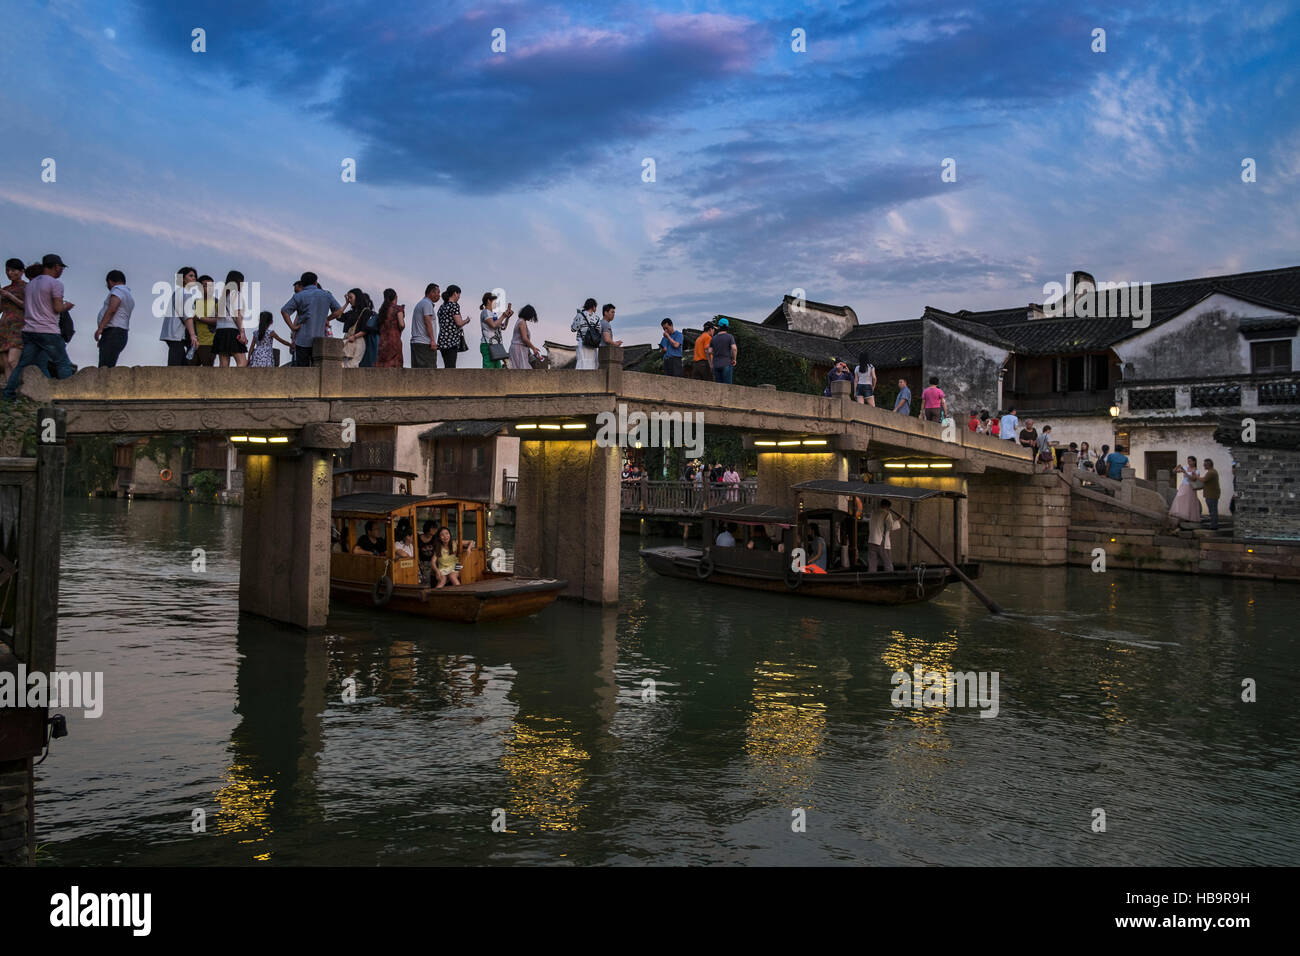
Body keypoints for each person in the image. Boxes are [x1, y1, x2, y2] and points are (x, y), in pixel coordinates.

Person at [4, 254, 76, 400]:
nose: (61, 270)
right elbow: (57, 308)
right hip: (48, 330)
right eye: (61, 267)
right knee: (62, 363)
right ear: (56, 267)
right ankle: (69, 396)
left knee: (22, 365)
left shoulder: (30, 285)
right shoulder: (55, 284)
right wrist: (66, 306)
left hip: (30, 331)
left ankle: (8, 394)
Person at [281, 271, 344, 367]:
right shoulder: (327, 295)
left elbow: (284, 311)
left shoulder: (299, 296)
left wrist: (292, 327)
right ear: (316, 282)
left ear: (302, 284)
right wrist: (326, 319)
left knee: (302, 370)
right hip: (320, 339)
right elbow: (339, 311)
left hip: (302, 339)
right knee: (318, 368)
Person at [159, 265, 199, 366]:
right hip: (177, 334)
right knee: (175, 364)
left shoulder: (178, 293)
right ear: (183, 279)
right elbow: (187, 316)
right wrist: (193, 335)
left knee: (182, 363)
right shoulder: (184, 293)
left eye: (194, 276)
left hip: (174, 333)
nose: (194, 278)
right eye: (190, 275)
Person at [93, 269, 134, 368]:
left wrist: (100, 328)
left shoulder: (118, 290)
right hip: (118, 333)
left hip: (113, 332)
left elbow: (112, 309)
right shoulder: (128, 295)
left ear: (110, 281)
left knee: (104, 368)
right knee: (109, 364)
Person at [214, 270, 249, 368]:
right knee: (242, 362)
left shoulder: (223, 297)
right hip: (232, 331)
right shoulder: (236, 294)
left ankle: (223, 383)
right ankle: (237, 383)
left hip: (220, 332)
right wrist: (242, 332)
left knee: (223, 364)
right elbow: (237, 315)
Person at [1, 258, 28, 379]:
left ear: (22, 271)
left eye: (13, 270)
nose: (10, 273)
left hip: (18, 327)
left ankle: (18, 390)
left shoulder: (27, 287)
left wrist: (10, 296)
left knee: (13, 361)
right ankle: (10, 393)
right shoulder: (5, 289)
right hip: (4, 328)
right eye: (7, 270)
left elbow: (27, 306)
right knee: (5, 363)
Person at [339, 288, 375, 367]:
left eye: (351, 297)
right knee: (342, 365)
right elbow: (339, 316)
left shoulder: (366, 311)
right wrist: (346, 303)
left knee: (352, 365)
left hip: (358, 340)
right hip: (348, 339)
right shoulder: (351, 312)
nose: (349, 300)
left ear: (357, 297)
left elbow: (366, 329)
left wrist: (354, 336)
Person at [437, 285, 470, 367]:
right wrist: (466, 320)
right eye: (459, 294)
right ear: (455, 293)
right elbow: (459, 323)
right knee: (451, 367)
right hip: (451, 340)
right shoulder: (454, 305)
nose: (459, 297)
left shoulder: (442, 307)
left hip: (442, 339)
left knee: (447, 365)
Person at [189, 274, 218, 366]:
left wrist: (199, 318)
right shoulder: (195, 302)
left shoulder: (217, 302)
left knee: (207, 372)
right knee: (189, 371)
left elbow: (218, 321)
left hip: (209, 343)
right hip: (194, 343)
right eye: (205, 285)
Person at [478, 292, 512, 369]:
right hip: (488, 345)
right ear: (489, 301)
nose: (496, 303)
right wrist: (503, 316)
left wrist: (507, 317)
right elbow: (493, 325)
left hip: (495, 346)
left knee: (497, 371)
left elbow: (503, 327)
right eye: (495, 301)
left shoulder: (492, 314)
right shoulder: (485, 312)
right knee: (489, 371)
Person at [409, 283, 439, 368]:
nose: (439, 295)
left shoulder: (421, 303)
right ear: (431, 293)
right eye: (437, 292)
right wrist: (433, 340)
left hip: (417, 342)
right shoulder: (427, 304)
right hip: (424, 343)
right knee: (429, 372)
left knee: (418, 373)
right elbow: (427, 321)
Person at [867, 499, 901, 572]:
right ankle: (890, 577)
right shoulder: (887, 514)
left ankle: (871, 577)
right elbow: (891, 527)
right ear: (888, 507)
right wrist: (899, 520)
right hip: (881, 541)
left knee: (872, 562)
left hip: (871, 540)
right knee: (887, 561)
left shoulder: (873, 512)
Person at [376, 288, 406, 367]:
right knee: (395, 363)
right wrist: (400, 329)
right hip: (394, 338)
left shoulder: (382, 310)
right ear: (395, 297)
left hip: (382, 340)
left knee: (383, 364)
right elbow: (402, 324)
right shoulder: (398, 309)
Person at [1169, 455, 1202, 524]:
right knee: (1179, 498)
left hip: (1191, 487)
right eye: (1188, 461)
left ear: (1194, 462)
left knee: (1189, 501)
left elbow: (1193, 479)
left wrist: (1185, 472)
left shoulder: (1197, 470)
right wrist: (1177, 467)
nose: (1188, 462)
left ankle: (1189, 517)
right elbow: (1174, 471)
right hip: (1183, 486)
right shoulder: (1185, 467)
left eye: (1190, 461)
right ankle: (1181, 515)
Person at [509, 304, 544, 369]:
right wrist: (533, 348)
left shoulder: (520, 321)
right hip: (518, 348)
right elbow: (524, 338)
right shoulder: (522, 322)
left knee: (519, 368)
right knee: (523, 369)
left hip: (519, 348)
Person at [571, 297, 602, 370]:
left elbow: (573, 329)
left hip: (582, 342)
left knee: (582, 362)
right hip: (593, 343)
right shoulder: (597, 318)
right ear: (593, 307)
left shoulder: (580, 316)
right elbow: (599, 330)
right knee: (592, 363)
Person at [707, 317, 737, 384]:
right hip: (726, 363)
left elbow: (709, 351)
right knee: (727, 387)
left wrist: (711, 364)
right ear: (727, 327)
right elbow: (734, 348)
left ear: (719, 327)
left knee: (718, 387)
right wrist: (734, 359)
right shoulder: (729, 337)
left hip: (716, 365)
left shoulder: (713, 338)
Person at [1202, 459, 1221, 530]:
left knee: (1213, 511)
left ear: (1208, 465)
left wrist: (1196, 477)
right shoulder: (1213, 471)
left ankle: (1214, 526)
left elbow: (1203, 480)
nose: (1203, 465)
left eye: (1205, 464)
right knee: (1213, 510)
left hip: (1211, 494)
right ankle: (1213, 524)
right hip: (1212, 494)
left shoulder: (1211, 472)